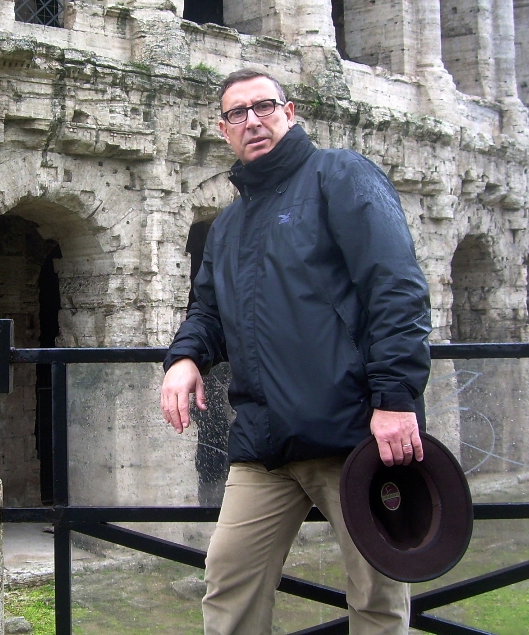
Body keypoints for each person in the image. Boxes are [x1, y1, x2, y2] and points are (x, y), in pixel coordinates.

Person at [161, 69, 432, 635]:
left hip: (356, 434)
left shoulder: (341, 175)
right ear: (224, 130)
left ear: (289, 113)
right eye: (237, 113)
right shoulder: (228, 225)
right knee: (229, 583)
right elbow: (208, 312)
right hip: (265, 441)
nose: (252, 121)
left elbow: (396, 288)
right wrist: (185, 358)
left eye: (264, 107)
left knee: (376, 595)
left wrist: (395, 398)